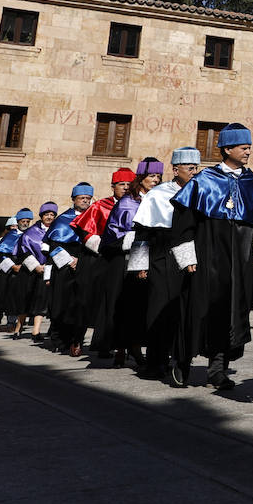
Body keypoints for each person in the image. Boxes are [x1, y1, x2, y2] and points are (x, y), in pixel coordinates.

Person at [170, 123, 253, 391]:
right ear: (227, 149)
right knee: (197, 311)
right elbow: (183, 223)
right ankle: (181, 362)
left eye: (249, 146)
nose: (248, 151)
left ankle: (218, 368)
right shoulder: (204, 180)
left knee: (232, 314)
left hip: (239, 263)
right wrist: (187, 256)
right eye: (243, 147)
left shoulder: (252, 182)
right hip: (207, 258)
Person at [129, 148, 200, 379]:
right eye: (189, 168)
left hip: (193, 257)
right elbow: (142, 232)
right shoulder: (158, 194)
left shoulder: (200, 192)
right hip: (163, 257)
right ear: (175, 169)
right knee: (159, 307)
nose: (194, 172)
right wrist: (140, 265)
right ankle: (155, 360)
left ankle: (180, 357)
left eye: (196, 168)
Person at [73, 168, 135, 356]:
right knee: (88, 299)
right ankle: (77, 338)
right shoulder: (101, 206)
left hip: (123, 258)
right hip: (98, 257)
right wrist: (101, 246)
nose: (125, 188)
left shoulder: (136, 204)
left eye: (128, 185)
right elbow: (83, 230)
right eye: (121, 185)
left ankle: (114, 345)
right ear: (113, 186)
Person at [44, 183, 94, 356]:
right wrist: (70, 261)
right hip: (64, 268)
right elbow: (54, 246)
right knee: (62, 304)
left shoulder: (93, 217)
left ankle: (76, 340)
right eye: (82, 198)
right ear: (74, 199)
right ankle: (59, 339)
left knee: (81, 304)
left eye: (88, 199)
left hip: (85, 264)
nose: (85, 201)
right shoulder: (62, 219)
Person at [13, 202, 56, 341]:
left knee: (41, 300)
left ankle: (36, 331)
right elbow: (23, 250)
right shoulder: (30, 232)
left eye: (52, 215)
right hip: (30, 271)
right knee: (26, 299)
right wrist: (36, 266)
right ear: (41, 216)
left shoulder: (56, 231)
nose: (49, 217)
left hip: (47, 270)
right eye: (46, 214)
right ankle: (18, 327)